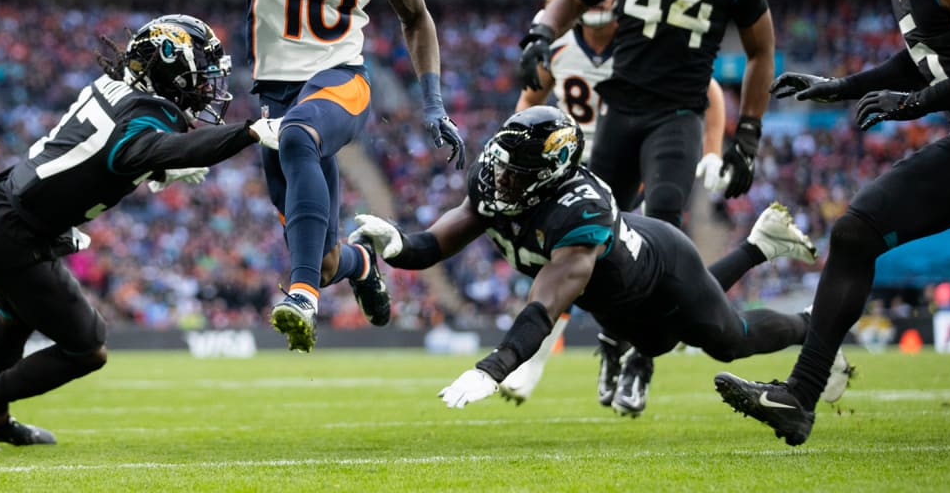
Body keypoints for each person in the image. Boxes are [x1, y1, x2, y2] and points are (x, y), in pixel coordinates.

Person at [155, 0, 465, 352]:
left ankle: (300, 297)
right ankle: (359, 263)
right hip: (276, 93)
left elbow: (416, 16)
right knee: (323, 260)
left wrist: (434, 101)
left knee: (299, 136)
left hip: (342, 80)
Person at [714, 0, 950, 446]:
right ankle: (798, 397)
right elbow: (928, 58)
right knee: (857, 231)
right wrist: (843, 87)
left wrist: (912, 108)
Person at [349, 107, 848, 414]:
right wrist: (397, 244)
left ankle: (813, 327)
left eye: (516, 173)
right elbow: (439, 241)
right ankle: (757, 247)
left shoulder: (580, 209)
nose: (501, 180)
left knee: (727, 339)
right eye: (502, 166)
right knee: (662, 336)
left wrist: (493, 367)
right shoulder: (498, 179)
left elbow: (544, 305)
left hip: (662, 271)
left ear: (551, 175)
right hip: (619, 305)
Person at [0, 15, 281, 451]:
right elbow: (150, 146)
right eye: (199, 77)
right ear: (170, 70)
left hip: (0, 209)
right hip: (16, 234)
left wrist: (157, 170)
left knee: (15, 317)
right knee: (88, 347)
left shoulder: (116, 87)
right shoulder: (145, 117)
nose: (205, 89)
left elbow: (111, 152)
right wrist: (246, 133)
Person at [517, 0, 776, 414]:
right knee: (584, 236)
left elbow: (761, 53)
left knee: (661, 233)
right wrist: (542, 31)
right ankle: (615, 340)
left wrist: (747, 134)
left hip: (676, 117)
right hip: (620, 113)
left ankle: (642, 355)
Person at [504, 0, 731, 409]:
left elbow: (708, 90)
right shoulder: (560, 42)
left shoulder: (645, 37)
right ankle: (549, 353)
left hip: (638, 161)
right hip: (571, 170)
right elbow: (528, 100)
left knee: (656, 263)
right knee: (567, 264)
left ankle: (637, 360)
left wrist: (713, 151)